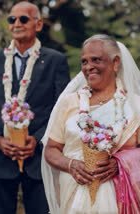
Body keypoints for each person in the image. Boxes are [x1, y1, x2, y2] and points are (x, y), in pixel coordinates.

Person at [0, 2, 70, 214]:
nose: (16, 24)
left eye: (23, 19)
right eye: (12, 19)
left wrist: (38, 139)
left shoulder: (56, 61)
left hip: (39, 161)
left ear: (38, 24)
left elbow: (62, 112)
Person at [42, 34, 140, 214]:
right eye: (84, 62)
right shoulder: (69, 102)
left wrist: (120, 164)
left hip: (122, 202)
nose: (89, 67)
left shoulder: (135, 105)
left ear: (115, 62)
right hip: (73, 198)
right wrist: (71, 164)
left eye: (96, 60)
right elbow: (51, 149)